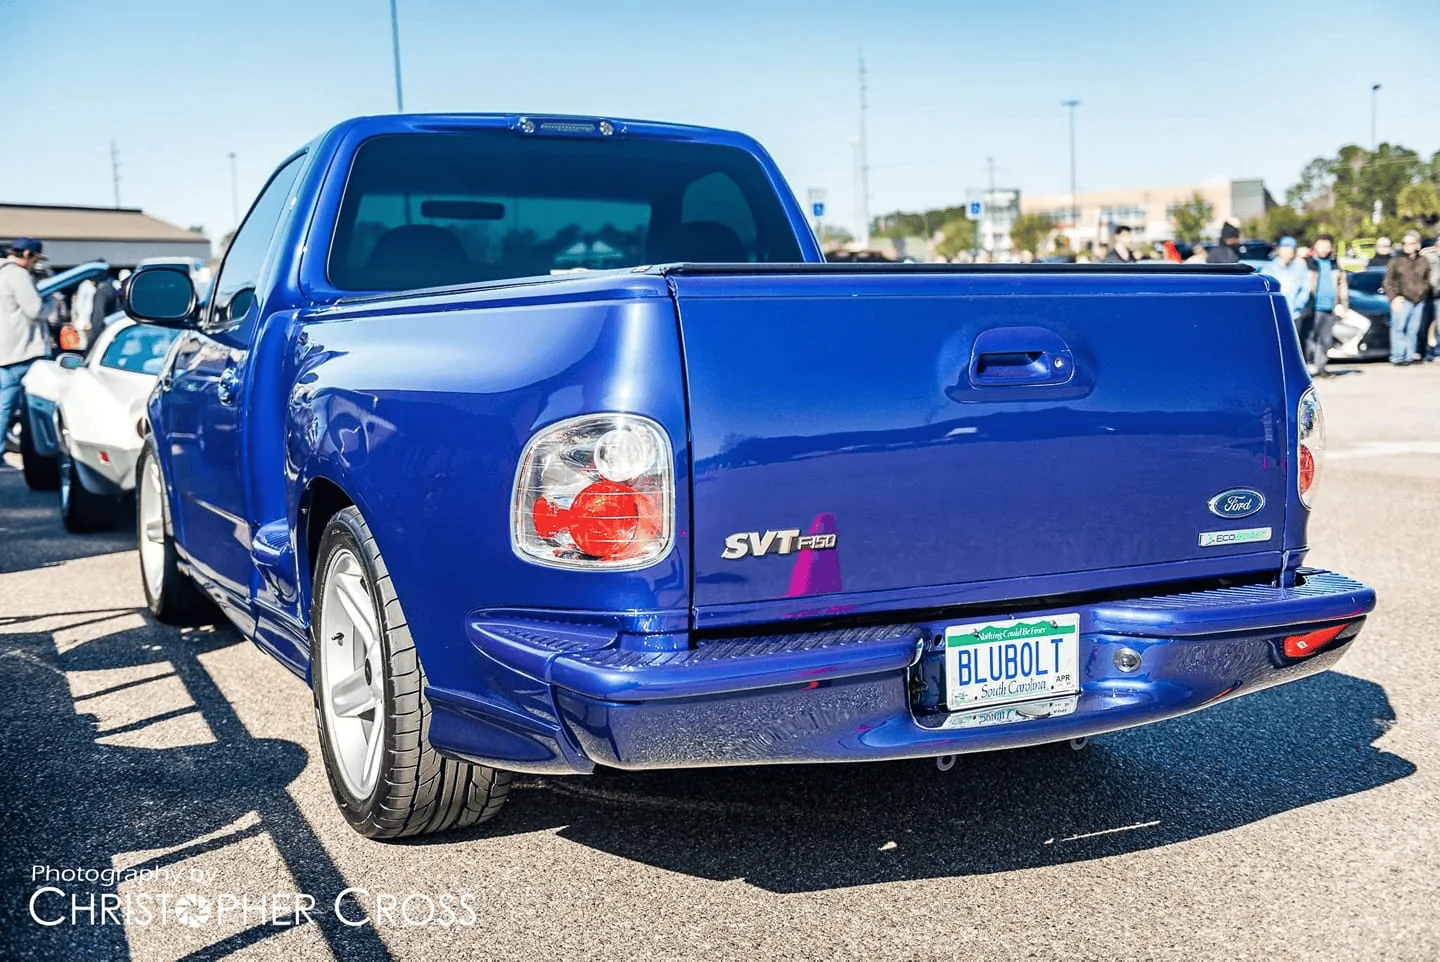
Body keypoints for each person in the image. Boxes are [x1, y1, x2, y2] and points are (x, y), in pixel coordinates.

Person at [0, 238, 49, 435]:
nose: (35, 265)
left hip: (4, 351)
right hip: (22, 352)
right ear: (27, 255)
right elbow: (35, 309)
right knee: (33, 405)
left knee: (3, 406)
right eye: (35, 260)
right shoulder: (18, 275)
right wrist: (50, 303)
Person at [1303, 234, 1349, 376]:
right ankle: (1307, 368)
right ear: (1315, 247)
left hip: (1329, 306)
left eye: (1327, 246)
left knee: (1325, 339)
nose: (1324, 249)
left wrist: (1344, 304)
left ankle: (1321, 367)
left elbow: (1342, 286)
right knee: (1309, 337)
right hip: (1312, 306)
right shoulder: (1308, 263)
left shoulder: (1334, 264)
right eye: (1321, 246)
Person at [1383, 231, 1431, 365]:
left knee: (1413, 329)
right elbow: (1388, 281)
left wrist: (1424, 290)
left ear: (1417, 245)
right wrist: (1393, 298)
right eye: (1405, 243)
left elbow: (1426, 278)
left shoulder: (1423, 260)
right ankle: (1398, 356)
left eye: (1411, 243)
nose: (1407, 246)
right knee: (1398, 328)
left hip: (1419, 301)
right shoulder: (1396, 260)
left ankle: (1408, 356)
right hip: (1402, 299)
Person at [1260, 236, 1311, 326]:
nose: (1288, 253)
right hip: (1275, 313)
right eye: (1285, 250)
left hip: (1295, 314)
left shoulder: (1300, 266)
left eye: (1291, 250)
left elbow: (1306, 288)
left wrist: (1298, 305)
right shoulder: (1269, 268)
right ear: (1279, 250)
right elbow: (1264, 290)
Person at [90, 272, 119, 342]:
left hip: (104, 330)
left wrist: (95, 337)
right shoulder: (110, 286)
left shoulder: (103, 289)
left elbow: (98, 315)